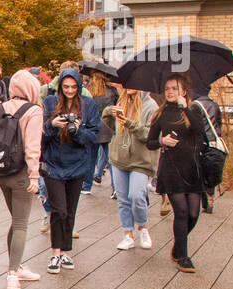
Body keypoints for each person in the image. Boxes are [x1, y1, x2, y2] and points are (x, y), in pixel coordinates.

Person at [0, 69, 44, 289]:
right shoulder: (33, 111)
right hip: (22, 173)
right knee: (22, 224)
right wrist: (35, 175)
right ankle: (13, 273)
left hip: (3, 172)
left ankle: (16, 265)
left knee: (16, 220)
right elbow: (33, 147)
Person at [41, 66, 100, 273]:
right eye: (66, 86)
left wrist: (77, 130)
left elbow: (93, 137)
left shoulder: (89, 106)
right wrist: (53, 125)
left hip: (77, 163)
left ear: (79, 86)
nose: (69, 90)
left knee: (70, 210)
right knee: (59, 209)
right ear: (59, 87)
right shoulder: (49, 103)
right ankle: (55, 253)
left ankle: (65, 251)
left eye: (74, 86)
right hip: (53, 164)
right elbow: (40, 135)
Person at [148, 73, 207, 273]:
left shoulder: (193, 110)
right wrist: (163, 141)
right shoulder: (160, 114)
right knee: (181, 212)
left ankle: (178, 245)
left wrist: (184, 107)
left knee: (193, 213)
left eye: (175, 88)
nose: (170, 92)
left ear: (184, 91)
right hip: (171, 170)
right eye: (167, 89)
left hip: (193, 169)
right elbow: (150, 142)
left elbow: (200, 131)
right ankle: (183, 257)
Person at [103, 83, 159, 251]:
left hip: (141, 161)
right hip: (119, 157)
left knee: (136, 195)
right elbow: (112, 127)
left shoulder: (150, 106)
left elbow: (151, 135)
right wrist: (108, 113)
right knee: (123, 199)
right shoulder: (122, 102)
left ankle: (142, 227)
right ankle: (128, 234)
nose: (129, 87)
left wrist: (131, 124)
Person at [82, 71, 117, 196]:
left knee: (90, 158)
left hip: (93, 127)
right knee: (111, 159)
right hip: (108, 127)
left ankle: (86, 186)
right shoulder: (112, 91)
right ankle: (116, 188)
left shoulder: (87, 90)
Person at [194, 91, 222, 214]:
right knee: (211, 170)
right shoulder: (215, 105)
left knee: (199, 171)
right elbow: (219, 124)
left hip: (201, 142)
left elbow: (195, 126)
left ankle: (203, 202)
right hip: (214, 142)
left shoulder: (195, 105)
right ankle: (210, 199)